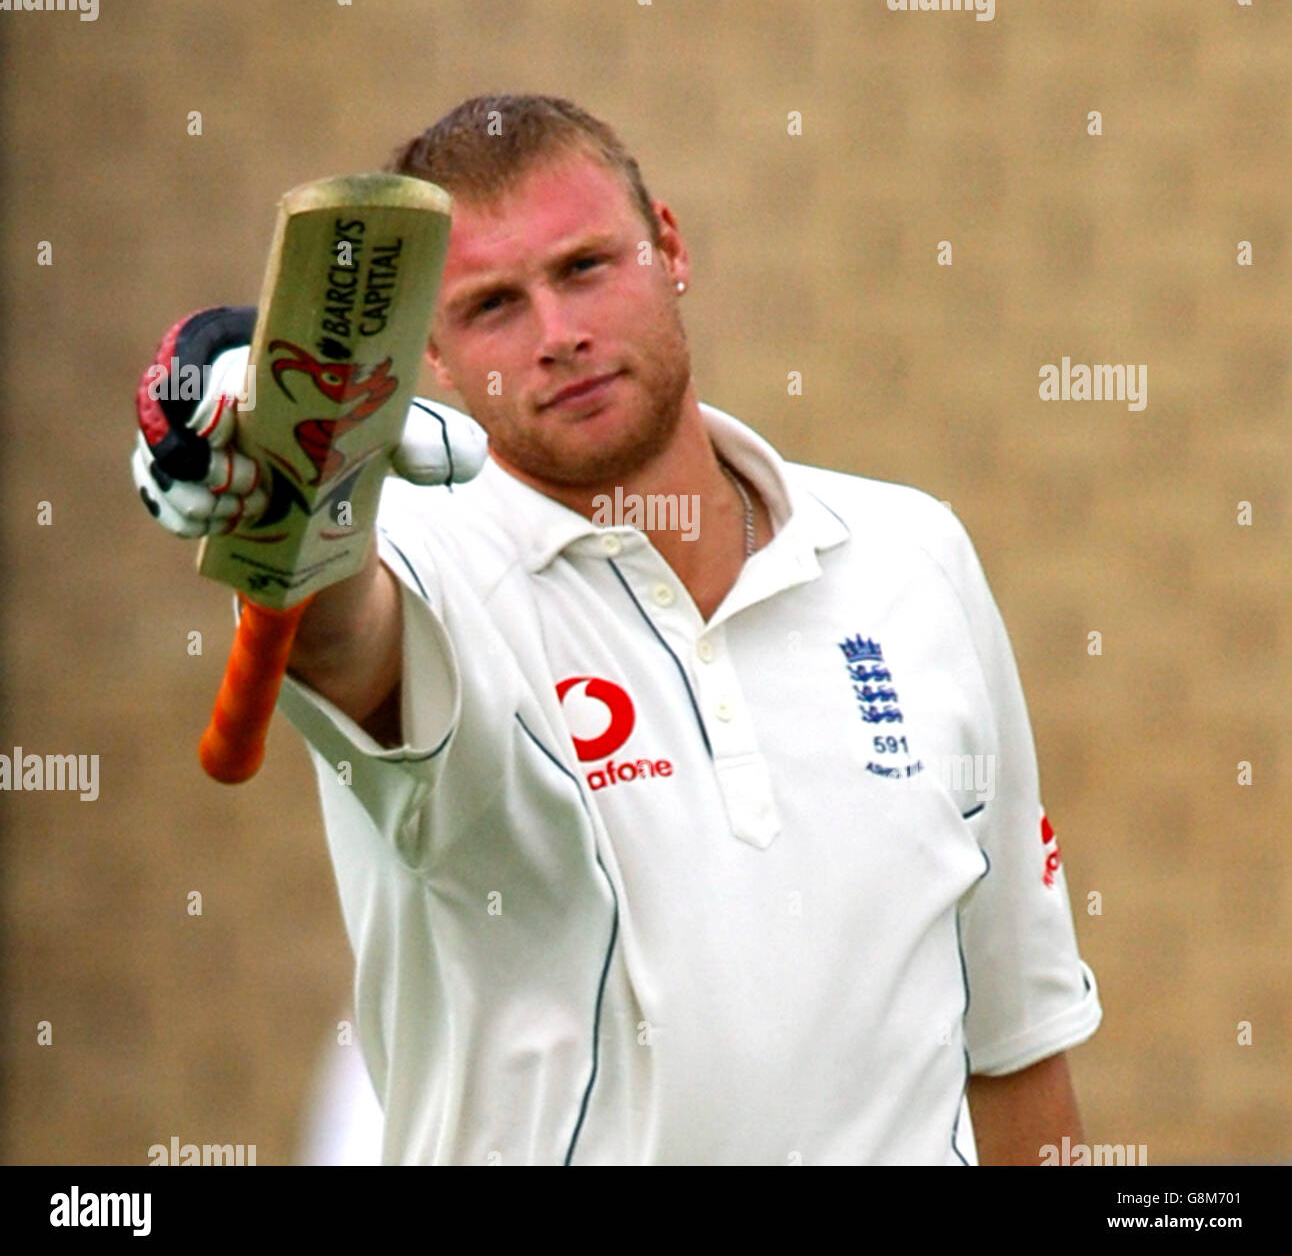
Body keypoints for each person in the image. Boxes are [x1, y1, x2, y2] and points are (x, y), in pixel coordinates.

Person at [133, 93, 1102, 1165]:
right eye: (493, 305)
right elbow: (338, 626)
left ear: (669, 248)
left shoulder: (909, 554)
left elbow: (1014, 1044)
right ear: (435, 359)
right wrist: (279, 474)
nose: (559, 336)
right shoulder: (424, 565)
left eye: (586, 267)